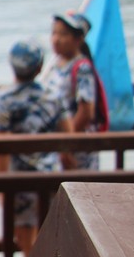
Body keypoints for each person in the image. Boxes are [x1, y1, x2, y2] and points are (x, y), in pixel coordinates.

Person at [0, 39, 72, 255]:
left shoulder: (2, 99)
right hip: (51, 174)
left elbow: (2, 147)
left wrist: (3, 181)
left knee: (25, 234)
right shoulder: (53, 95)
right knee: (51, 231)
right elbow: (69, 136)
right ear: (40, 67)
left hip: (19, 178)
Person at [42, 10, 102, 170]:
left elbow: (86, 112)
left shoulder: (82, 68)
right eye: (54, 33)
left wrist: (67, 143)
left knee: (79, 184)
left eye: (63, 34)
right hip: (58, 143)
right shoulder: (55, 64)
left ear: (78, 39)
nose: (56, 39)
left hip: (75, 146)